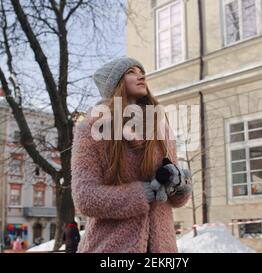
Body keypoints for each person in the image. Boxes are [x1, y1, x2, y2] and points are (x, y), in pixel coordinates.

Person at [71, 57, 192, 253]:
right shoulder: (92, 128)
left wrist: (178, 183)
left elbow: (176, 200)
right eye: (131, 72)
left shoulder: (161, 127)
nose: (141, 76)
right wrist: (143, 193)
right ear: (115, 83)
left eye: (141, 71)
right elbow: (85, 197)